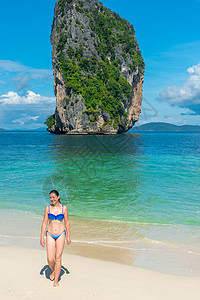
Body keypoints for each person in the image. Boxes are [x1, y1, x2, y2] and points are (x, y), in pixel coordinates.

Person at [40, 190, 71, 287]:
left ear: (58, 197)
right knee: (50, 258)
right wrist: (42, 237)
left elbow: (67, 223)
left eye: (53, 197)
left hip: (61, 234)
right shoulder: (48, 208)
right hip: (50, 234)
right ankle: (53, 269)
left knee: (58, 257)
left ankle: (56, 280)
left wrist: (68, 236)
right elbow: (45, 223)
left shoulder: (64, 208)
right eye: (50, 197)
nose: (52, 199)